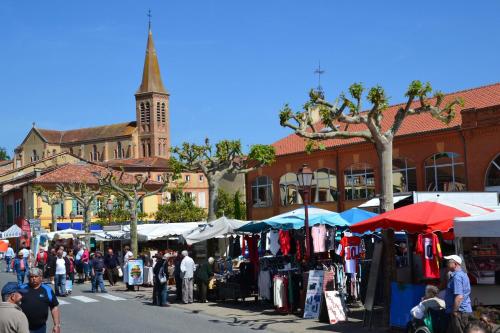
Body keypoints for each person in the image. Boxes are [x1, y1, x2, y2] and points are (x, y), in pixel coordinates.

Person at [20, 268, 60, 333]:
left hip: (40, 328)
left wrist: (57, 325)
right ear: (28, 278)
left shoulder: (47, 290)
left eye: (36, 276)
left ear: (41, 278)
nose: (34, 278)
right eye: (31, 277)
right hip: (22, 327)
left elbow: (54, 307)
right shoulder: (22, 288)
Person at [444, 255, 472, 333]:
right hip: (461, 311)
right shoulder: (462, 275)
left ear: (455, 264)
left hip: (459, 312)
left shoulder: (457, 277)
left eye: (448, 262)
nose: (446, 264)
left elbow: (459, 296)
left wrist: (454, 311)